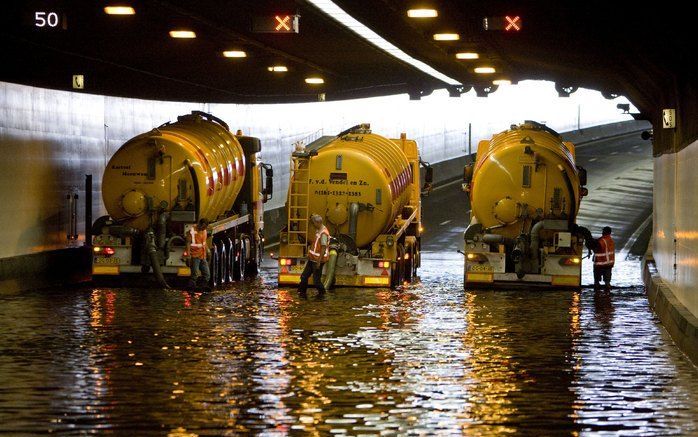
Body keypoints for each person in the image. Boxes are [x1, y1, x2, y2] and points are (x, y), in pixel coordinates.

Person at [298, 214, 330, 298]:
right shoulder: (318, 230)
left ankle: (322, 294)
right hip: (312, 259)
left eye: (314, 223)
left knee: (316, 281)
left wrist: (319, 262)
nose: (313, 225)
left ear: (318, 223)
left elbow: (323, 248)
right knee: (304, 276)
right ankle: (301, 293)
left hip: (317, 261)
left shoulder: (323, 233)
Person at [186, 218, 210, 289]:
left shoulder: (204, 231)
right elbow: (188, 242)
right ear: (200, 224)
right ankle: (191, 288)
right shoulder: (193, 230)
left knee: (207, 274)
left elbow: (204, 243)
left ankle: (203, 287)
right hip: (194, 255)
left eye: (205, 228)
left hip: (202, 256)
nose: (204, 229)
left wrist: (208, 251)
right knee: (194, 274)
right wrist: (188, 255)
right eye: (203, 227)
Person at [593, 226, 615, 292]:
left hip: (600, 263)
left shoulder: (601, 241)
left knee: (597, 282)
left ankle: (597, 293)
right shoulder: (610, 240)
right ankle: (607, 294)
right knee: (607, 282)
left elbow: (596, 249)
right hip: (609, 264)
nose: (602, 232)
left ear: (604, 232)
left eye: (603, 231)